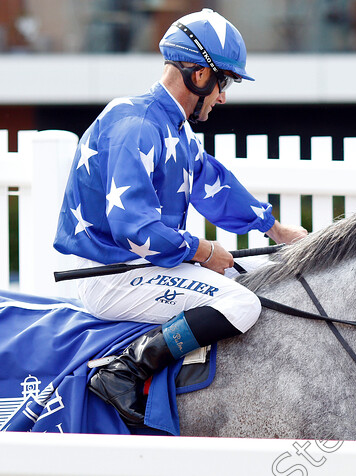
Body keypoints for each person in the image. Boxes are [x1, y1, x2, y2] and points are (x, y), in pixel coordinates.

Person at [52, 8, 307, 426]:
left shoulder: (175, 127)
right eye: (224, 81)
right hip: (108, 273)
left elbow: (214, 184)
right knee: (241, 303)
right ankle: (124, 371)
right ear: (201, 75)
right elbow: (134, 228)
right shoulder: (135, 123)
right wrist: (203, 251)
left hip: (142, 265)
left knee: (261, 277)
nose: (224, 96)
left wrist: (276, 230)